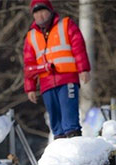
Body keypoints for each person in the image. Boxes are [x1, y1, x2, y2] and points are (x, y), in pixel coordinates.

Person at [23, 0, 91, 139]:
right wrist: (30, 88)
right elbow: (29, 63)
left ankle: (75, 142)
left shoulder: (66, 25)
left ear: (50, 10)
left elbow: (78, 48)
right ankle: (60, 147)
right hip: (46, 83)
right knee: (55, 122)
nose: (40, 16)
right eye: (36, 13)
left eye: (43, 11)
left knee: (69, 118)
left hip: (67, 79)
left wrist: (83, 69)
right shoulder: (31, 36)